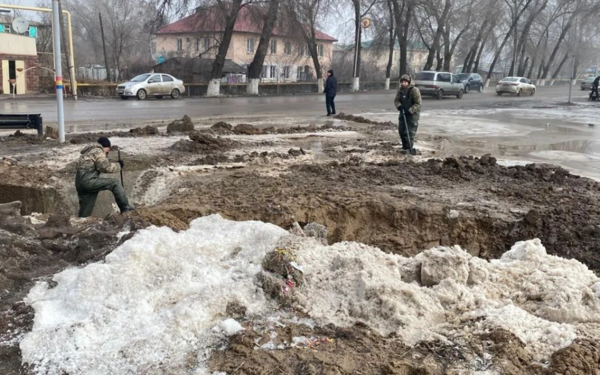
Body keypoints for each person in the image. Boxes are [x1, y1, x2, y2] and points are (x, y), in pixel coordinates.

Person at [75, 137, 133, 218]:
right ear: (106, 147)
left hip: (79, 182)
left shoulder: (87, 152)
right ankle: (126, 208)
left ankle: (81, 223)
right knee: (114, 183)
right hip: (88, 181)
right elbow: (105, 167)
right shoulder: (98, 151)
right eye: (108, 150)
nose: (108, 152)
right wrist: (119, 165)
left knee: (85, 213)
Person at [394, 74, 422, 155]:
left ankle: (409, 147)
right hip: (403, 114)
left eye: (405, 82)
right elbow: (396, 100)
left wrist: (410, 110)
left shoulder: (414, 90)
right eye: (402, 82)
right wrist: (400, 107)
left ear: (409, 82)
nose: (404, 84)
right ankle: (404, 147)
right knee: (401, 130)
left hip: (412, 115)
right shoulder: (400, 90)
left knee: (409, 133)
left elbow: (418, 103)